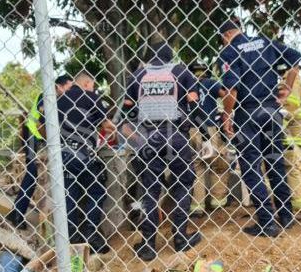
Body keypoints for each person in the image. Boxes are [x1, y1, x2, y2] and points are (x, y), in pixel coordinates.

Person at [217, 17, 301, 237]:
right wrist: (287, 88)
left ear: (225, 35)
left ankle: (266, 220)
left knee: (250, 167)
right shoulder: (265, 42)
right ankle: (285, 215)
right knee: (275, 164)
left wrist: (227, 116)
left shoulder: (229, 51)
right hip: (272, 111)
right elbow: (296, 59)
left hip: (248, 113)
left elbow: (231, 89)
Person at [123, 42, 201, 261]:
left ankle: (148, 244)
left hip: (149, 135)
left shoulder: (138, 75)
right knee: (183, 183)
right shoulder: (181, 71)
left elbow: (128, 107)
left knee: (150, 189)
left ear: (150, 58)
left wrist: (139, 133)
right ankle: (180, 237)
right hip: (176, 134)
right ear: (170, 58)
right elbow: (194, 102)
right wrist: (190, 125)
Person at [57, 71, 116, 254]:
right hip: (84, 153)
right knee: (97, 189)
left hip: (63, 154)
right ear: (86, 83)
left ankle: (72, 239)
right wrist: (113, 130)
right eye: (92, 85)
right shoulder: (91, 97)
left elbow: (44, 127)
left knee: (69, 194)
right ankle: (91, 234)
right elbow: (106, 125)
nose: (92, 88)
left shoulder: (57, 101)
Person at [7, 75, 72, 229]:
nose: (71, 91)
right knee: (31, 174)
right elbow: (43, 115)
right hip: (32, 135)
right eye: (69, 88)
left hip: (35, 137)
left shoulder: (55, 98)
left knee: (32, 174)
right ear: (59, 86)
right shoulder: (47, 95)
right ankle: (17, 214)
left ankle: (16, 211)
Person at [188, 62, 230, 217]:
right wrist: (225, 113)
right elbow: (226, 94)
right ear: (206, 72)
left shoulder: (186, 85)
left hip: (191, 129)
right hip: (209, 128)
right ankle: (217, 201)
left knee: (197, 167)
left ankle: (197, 207)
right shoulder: (211, 83)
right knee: (218, 164)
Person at [276, 65, 301, 212]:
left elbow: (290, 106)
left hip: (293, 134)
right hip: (300, 134)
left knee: (292, 169)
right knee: (297, 169)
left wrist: (276, 122)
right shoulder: (295, 80)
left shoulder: (291, 81)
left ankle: (299, 208)